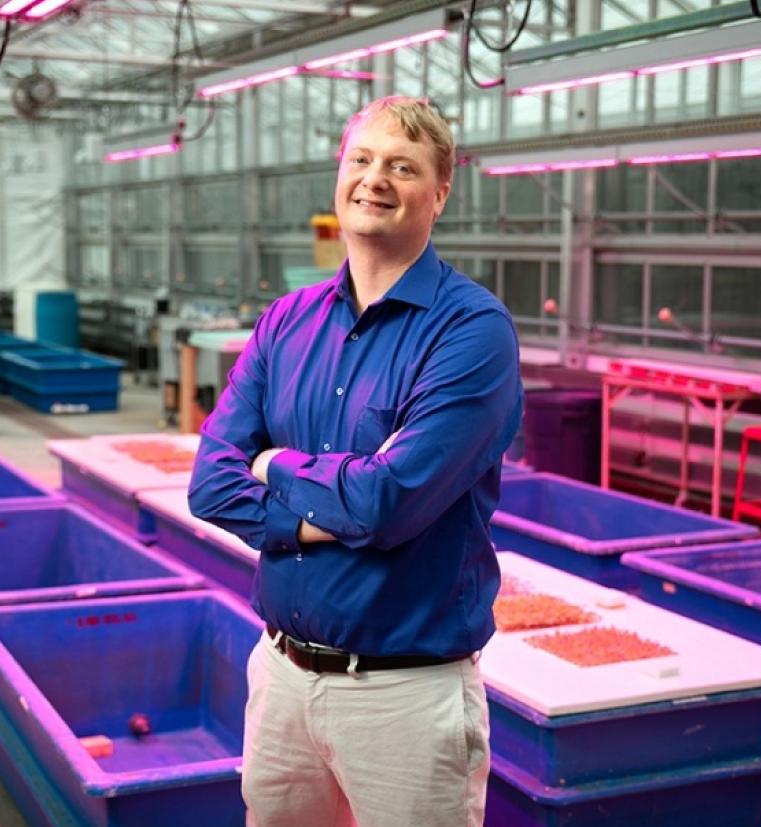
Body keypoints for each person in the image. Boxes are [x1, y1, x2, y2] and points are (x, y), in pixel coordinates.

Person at [188, 95, 523, 827]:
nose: (376, 179)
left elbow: (390, 503)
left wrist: (274, 464)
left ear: (440, 192)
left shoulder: (471, 331)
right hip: (279, 674)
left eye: (403, 167)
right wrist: (321, 515)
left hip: (403, 697)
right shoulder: (287, 320)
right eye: (362, 159)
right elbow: (211, 483)